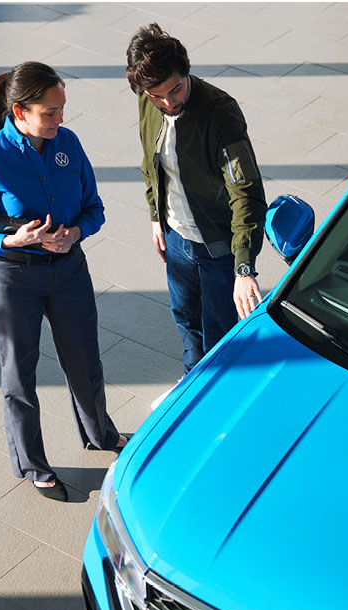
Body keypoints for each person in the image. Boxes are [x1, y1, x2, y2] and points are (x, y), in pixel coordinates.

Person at [0, 62, 126, 502]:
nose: (60, 120)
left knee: (85, 359)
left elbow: (94, 207)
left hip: (69, 270)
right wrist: (13, 238)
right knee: (19, 374)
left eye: (61, 109)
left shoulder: (67, 145)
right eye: (50, 112)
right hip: (13, 278)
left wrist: (76, 232)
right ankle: (32, 463)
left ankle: (100, 434)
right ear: (20, 112)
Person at [126, 24, 268, 378]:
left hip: (218, 247)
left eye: (175, 89)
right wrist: (156, 216)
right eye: (158, 96)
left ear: (186, 70)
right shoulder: (148, 100)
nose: (168, 102)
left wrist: (243, 266)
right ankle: (192, 383)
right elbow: (150, 162)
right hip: (176, 239)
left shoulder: (221, 113)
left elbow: (246, 192)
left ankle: (215, 399)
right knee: (186, 319)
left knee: (220, 334)